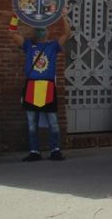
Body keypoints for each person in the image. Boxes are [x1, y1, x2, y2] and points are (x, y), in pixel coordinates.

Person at [10, 8, 71, 162]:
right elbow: (12, 34)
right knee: (32, 123)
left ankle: (55, 150)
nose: (40, 31)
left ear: (48, 32)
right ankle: (34, 151)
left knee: (53, 122)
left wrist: (64, 17)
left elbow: (67, 35)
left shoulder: (52, 46)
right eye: (38, 29)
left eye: (43, 29)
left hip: (48, 87)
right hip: (32, 86)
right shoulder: (29, 45)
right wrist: (15, 16)